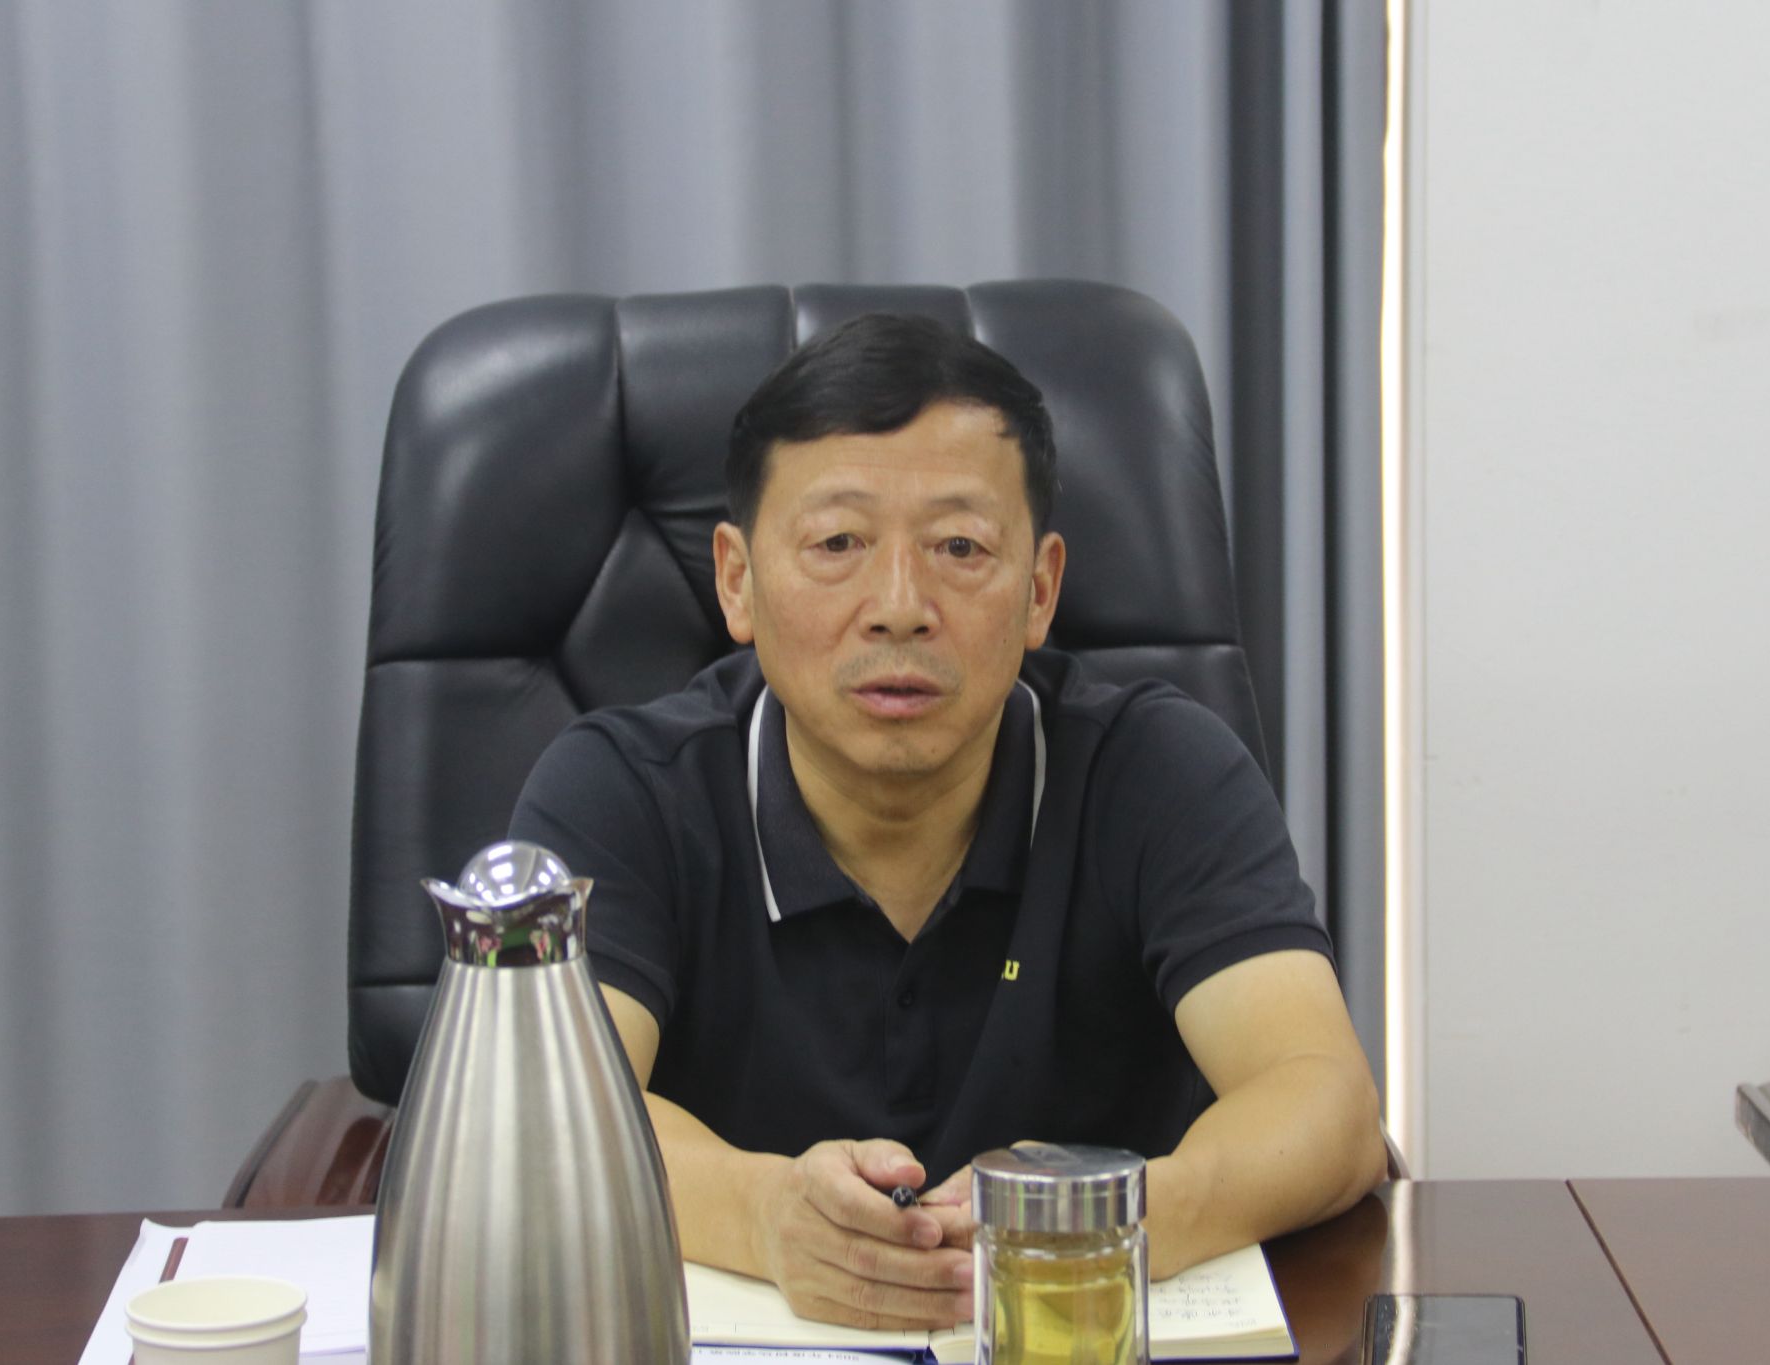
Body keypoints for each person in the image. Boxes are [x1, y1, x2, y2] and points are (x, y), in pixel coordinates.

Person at [508, 313, 1384, 1330]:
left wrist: (1105, 1219)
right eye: (837, 543)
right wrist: (763, 1217)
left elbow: (1325, 1103)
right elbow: (540, 1115)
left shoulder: (1157, 770)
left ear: (1039, 590)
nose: (899, 606)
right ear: (737, 581)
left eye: (959, 547)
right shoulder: (618, 790)